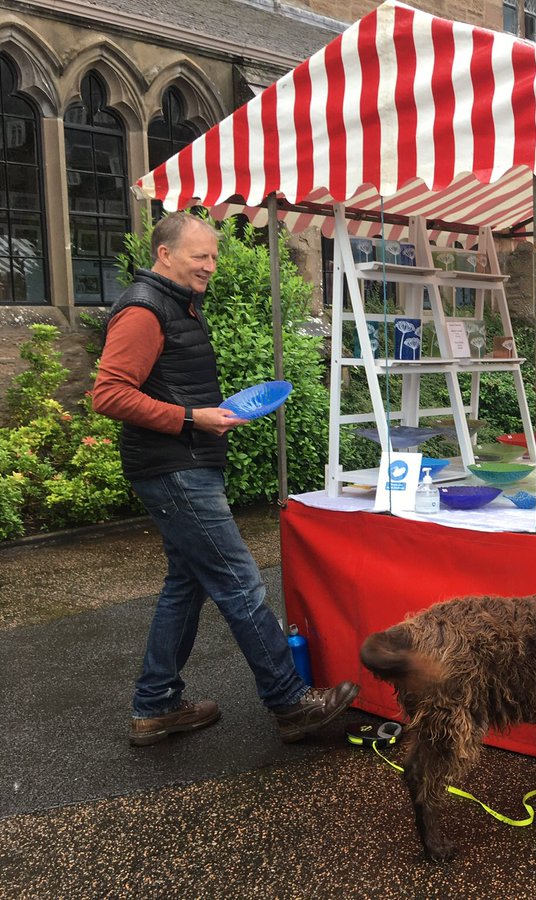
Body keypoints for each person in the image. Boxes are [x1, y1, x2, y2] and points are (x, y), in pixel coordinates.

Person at [93, 211, 359, 747]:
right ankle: (290, 701)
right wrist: (195, 419)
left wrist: (205, 412)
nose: (211, 266)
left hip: (185, 463)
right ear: (165, 254)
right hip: (175, 470)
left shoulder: (176, 305)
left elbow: (165, 385)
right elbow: (109, 394)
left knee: (185, 587)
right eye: (201, 256)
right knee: (240, 581)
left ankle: (157, 705)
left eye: (214, 256)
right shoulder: (145, 309)